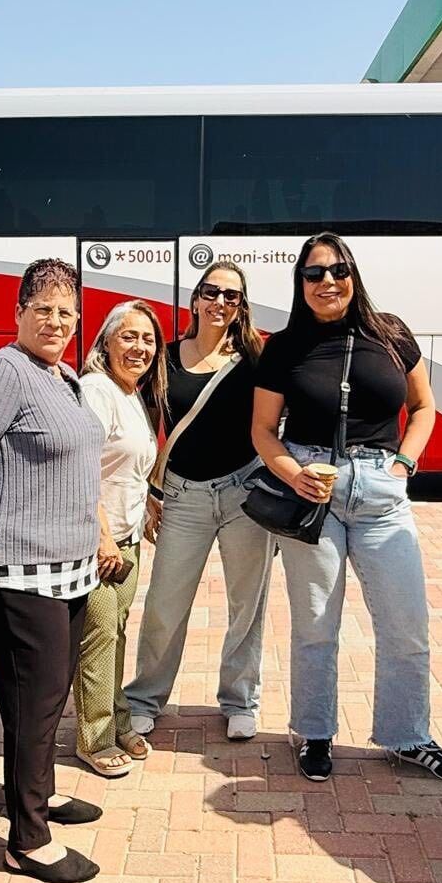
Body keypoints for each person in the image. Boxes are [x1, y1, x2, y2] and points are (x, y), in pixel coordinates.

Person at [251, 232, 442, 786]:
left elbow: (423, 406)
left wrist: (404, 464)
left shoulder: (390, 334)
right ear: (300, 283)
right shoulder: (284, 347)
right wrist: (293, 474)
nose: (327, 282)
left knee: (405, 623)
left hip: (380, 491)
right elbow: (262, 430)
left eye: (338, 270)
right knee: (315, 625)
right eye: (314, 273)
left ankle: (408, 735)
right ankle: (314, 732)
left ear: (354, 275)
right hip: (312, 491)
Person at [0, 258, 105, 883]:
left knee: (43, 697)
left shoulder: (62, 376)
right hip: (20, 571)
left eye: (66, 312)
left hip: (70, 569)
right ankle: (27, 841)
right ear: (18, 314)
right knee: (34, 703)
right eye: (43, 310)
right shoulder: (3, 374)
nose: (56, 322)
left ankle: (37, 793)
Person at [123, 260, 273, 745]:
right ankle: (145, 698)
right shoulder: (165, 358)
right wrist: (149, 489)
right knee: (165, 603)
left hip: (244, 493)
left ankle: (240, 701)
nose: (220, 303)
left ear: (241, 306)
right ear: (195, 299)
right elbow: (146, 426)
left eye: (231, 296)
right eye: (211, 292)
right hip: (183, 496)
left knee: (247, 605)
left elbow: (276, 421)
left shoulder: (255, 358)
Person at [72, 301, 164, 775]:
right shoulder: (96, 390)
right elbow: (81, 470)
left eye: (148, 339)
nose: (139, 347)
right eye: (129, 336)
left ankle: (119, 719)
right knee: (100, 635)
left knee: (116, 631)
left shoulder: (131, 394)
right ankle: (94, 738)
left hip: (126, 539)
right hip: (98, 542)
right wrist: (102, 537)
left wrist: (146, 506)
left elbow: (126, 468)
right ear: (105, 341)